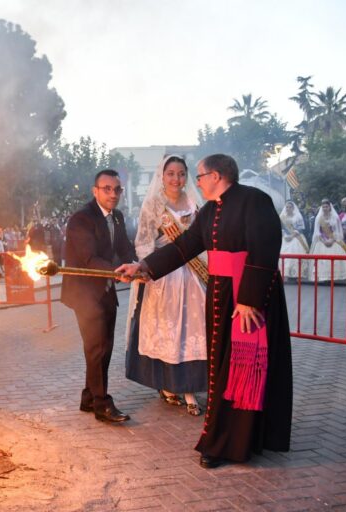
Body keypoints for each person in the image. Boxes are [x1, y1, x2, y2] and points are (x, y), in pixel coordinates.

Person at [117, 154, 292, 469]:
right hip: (221, 295)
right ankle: (230, 437)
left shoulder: (254, 200)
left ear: (216, 176)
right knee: (222, 367)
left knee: (242, 368)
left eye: (199, 176)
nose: (195, 182)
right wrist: (143, 266)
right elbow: (183, 247)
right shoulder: (210, 210)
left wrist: (249, 299)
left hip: (249, 299)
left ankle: (232, 441)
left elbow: (265, 249)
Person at [125, 155, 207, 416]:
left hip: (192, 274)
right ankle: (168, 385)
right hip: (163, 275)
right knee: (167, 330)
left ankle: (189, 387)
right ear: (161, 176)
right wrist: (148, 267)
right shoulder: (153, 204)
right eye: (170, 173)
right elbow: (143, 241)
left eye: (181, 173)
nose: (176, 179)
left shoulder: (194, 202)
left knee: (192, 329)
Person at [61, 169, 137, 423]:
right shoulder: (81, 219)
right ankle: (102, 404)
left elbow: (124, 248)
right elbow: (88, 259)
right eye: (107, 189)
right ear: (95, 191)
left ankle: (89, 397)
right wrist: (118, 273)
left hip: (105, 290)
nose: (113, 194)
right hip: (84, 292)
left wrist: (138, 266)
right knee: (97, 348)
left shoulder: (117, 217)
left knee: (105, 346)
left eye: (117, 189)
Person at [308, 198, 346, 282]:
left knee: (335, 259)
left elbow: (337, 231)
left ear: (330, 207)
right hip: (322, 241)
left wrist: (332, 240)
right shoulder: (319, 218)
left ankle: (333, 277)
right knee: (322, 260)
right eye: (323, 207)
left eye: (326, 206)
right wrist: (324, 241)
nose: (325, 208)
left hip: (334, 240)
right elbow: (317, 232)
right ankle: (323, 277)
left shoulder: (335, 217)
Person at [279, 200, 309, 280]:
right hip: (285, 237)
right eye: (287, 207)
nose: (288, 209)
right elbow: (281, 228)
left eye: (290, 207)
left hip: (296, 237)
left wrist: (292, 236)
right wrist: (285, 235)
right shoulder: (282, 217)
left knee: (295, 254)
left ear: (293, 208)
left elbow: (301, 228)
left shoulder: (298, 217)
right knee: (285, 255)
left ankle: (297, 274)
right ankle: (285, 274)